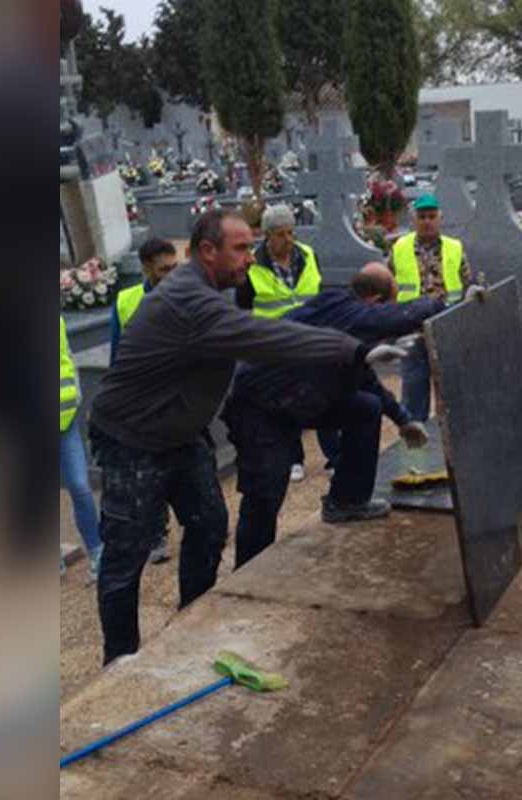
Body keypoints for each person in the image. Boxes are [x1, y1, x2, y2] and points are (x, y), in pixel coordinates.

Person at [88, 209, 405, 664]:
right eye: (240, 248)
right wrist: (354, 349)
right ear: (206, 251)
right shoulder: (190, 299)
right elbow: (265, 336)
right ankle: (119, 660)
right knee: (127, 553)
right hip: (131, 438)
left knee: (209, 526)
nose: (250, 258)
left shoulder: (215, 289)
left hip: (180, 434)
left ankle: (190, 626)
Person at [221, 263, 439, 569]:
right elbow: (403, 316)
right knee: (266, 491)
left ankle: (347, 502)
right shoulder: (346, 311)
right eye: (389, 303)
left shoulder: (346, 317)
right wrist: (446, 305)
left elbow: (365, 379)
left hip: (298, 397)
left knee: (365, 407)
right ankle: (247, 570)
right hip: (261, 407)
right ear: (375, 300)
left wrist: (402, 420)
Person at [236, 203, 322, 484]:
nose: (289, 239)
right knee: (287, 403)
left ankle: (334, 456)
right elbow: (244, 310)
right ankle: (295, 458)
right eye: (282, 234)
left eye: (291, 232)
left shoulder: (308, 255)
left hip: (308, 338)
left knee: (323, 394)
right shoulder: (252, 266)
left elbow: (316, 295)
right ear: (267, 236)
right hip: (274, 345)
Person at [110, 237, 180, 564]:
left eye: (174, 268)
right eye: (164, 269)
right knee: (150, 471)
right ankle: (156, 534)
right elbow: (116, 354)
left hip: (181, 396)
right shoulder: (126, 301)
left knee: (195, 462)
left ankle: (205, 523)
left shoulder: (186, 294)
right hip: (144, 400)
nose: (170, 275)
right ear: (146, 268)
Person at [386, 193, 474, 422]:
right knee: (414, 383)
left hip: (446, 324)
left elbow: (468, 282)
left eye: (432, 216)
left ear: (440, 218)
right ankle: (416, 433)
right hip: (411, 326)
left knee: (450, 384)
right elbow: (388, 285)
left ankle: (454, 427)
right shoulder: (400, 248)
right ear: (414, 220)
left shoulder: (455, 248)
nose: (427, 221)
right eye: (422, 216)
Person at [60, 316, 103, 580]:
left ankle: (98, 551)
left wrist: (75, 396)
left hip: (64, 420)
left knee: (79, 486)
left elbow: (67, 357)